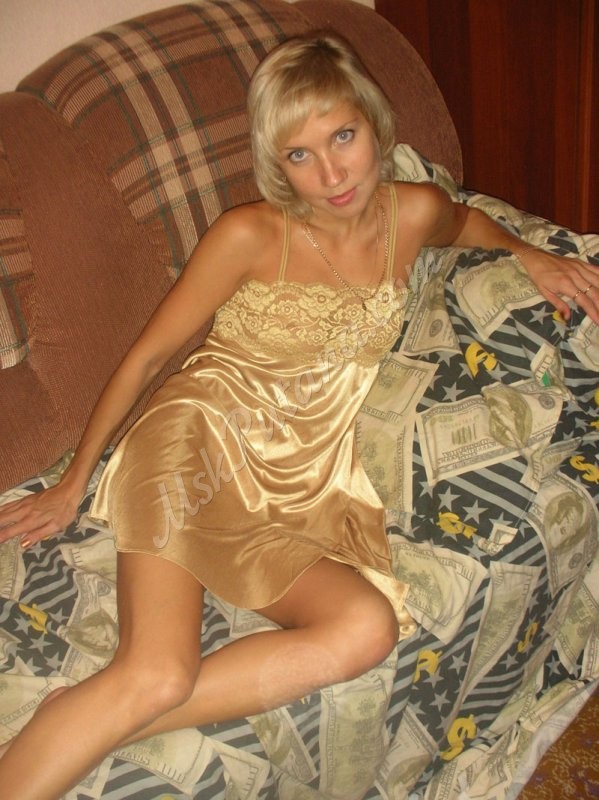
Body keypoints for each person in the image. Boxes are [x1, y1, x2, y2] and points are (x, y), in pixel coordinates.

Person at [0, 32, 598, 800]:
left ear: (374, 124)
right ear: (274, 164)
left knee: (363, 630)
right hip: (196, 444)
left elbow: (467, 225)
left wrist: (528, 253)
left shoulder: (413, 213)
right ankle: (109, 708)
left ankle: (91, 716)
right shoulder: (249, 235)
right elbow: (150, 358)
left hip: (299, 480)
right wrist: (74, 482)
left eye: (342, 137)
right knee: (157, 673)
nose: (331, 173)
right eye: (299, 155)